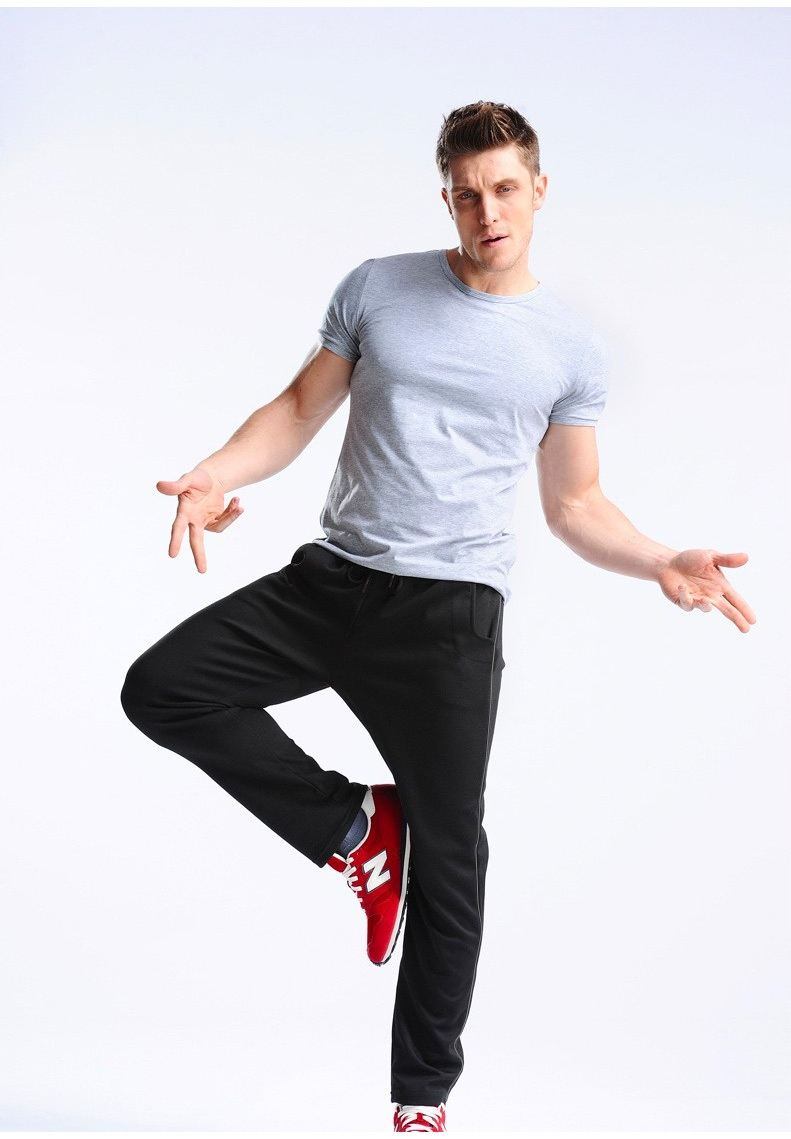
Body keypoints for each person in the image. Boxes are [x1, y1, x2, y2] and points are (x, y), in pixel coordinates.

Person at [120, 100, 756, 1133]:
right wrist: (212, 473)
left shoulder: (568, 348)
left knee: (453, 858)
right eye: (465, 194)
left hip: (450, 616)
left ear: (538, 190)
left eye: (503, 189)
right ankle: (352, 827)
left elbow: (573, 503)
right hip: (333, 581)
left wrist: (657, 560)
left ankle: (420, 1101)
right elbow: (296, 410)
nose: (486, 211)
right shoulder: (378, 287)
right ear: (445, 199)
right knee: (163, 686)